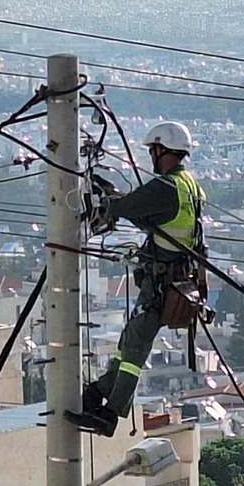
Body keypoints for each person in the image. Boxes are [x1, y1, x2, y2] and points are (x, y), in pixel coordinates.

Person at [65, 121, 206, 437]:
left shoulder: (165, 188)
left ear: (161, 150)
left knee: (134, 351)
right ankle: (97, 392)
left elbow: (126, 207)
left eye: (153, 151)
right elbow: (156, 219)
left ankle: (110, 413)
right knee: (129, 343)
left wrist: (104, 202)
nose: (151, 157)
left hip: (160, 284)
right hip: (175, 280)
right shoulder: (189, 186)